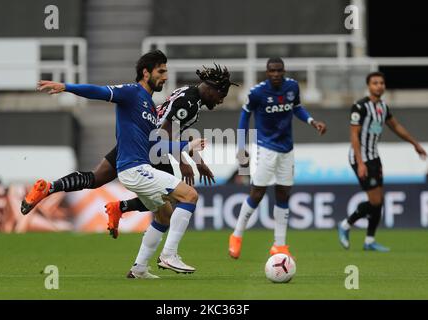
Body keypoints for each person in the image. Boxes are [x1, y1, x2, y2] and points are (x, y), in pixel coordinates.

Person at [27, 50, 206, 279]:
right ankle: (169, 255)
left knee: (164, 214)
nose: (164, 77)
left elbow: (157, 146)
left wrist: (186, 147)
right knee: (189, 195)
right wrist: (66, 86)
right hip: (134, 169)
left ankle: (139, 269)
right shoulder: (131, 93)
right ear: (145, 72)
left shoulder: (150, 107)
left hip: (141, 169)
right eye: (161, 72)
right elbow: (100, 92)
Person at [104, 63, 238, 237]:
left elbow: (179, 131)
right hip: (153, 149)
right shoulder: (188, 103)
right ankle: (124, 211)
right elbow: (163, 135)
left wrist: (199, 163)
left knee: (165, 206)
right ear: (212, 89)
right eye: (222, 95)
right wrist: (183, 163)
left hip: (151, 146)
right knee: (177, 197)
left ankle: (122, 210)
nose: (221, 101)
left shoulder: (190, 95)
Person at [228, 57, 327, 259]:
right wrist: (241, 147)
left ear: (284, 71)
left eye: (279, 70)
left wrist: (311, 121)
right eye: (272, 71)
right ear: (266, 72)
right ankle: (236, 235)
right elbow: (244, 118)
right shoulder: (257, 92)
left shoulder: (292, 87)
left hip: (287, 149)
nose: (275, 74)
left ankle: (279, 245)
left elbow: (296, 107)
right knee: (257, 193)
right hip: (265, 148)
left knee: (283, 194)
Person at [338, 71, 427, 252]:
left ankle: (369, 241)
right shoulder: (360, 107)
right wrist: (360, 163)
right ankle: (346, 224)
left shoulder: (383, 107)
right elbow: (354, 135)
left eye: (381, 83)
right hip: (360, 157)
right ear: (369, 86)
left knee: (378, 201)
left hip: (374, 157)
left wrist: (415, 144)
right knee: (375, 200)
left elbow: (396, 126)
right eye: (375, 83)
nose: (379, 86)